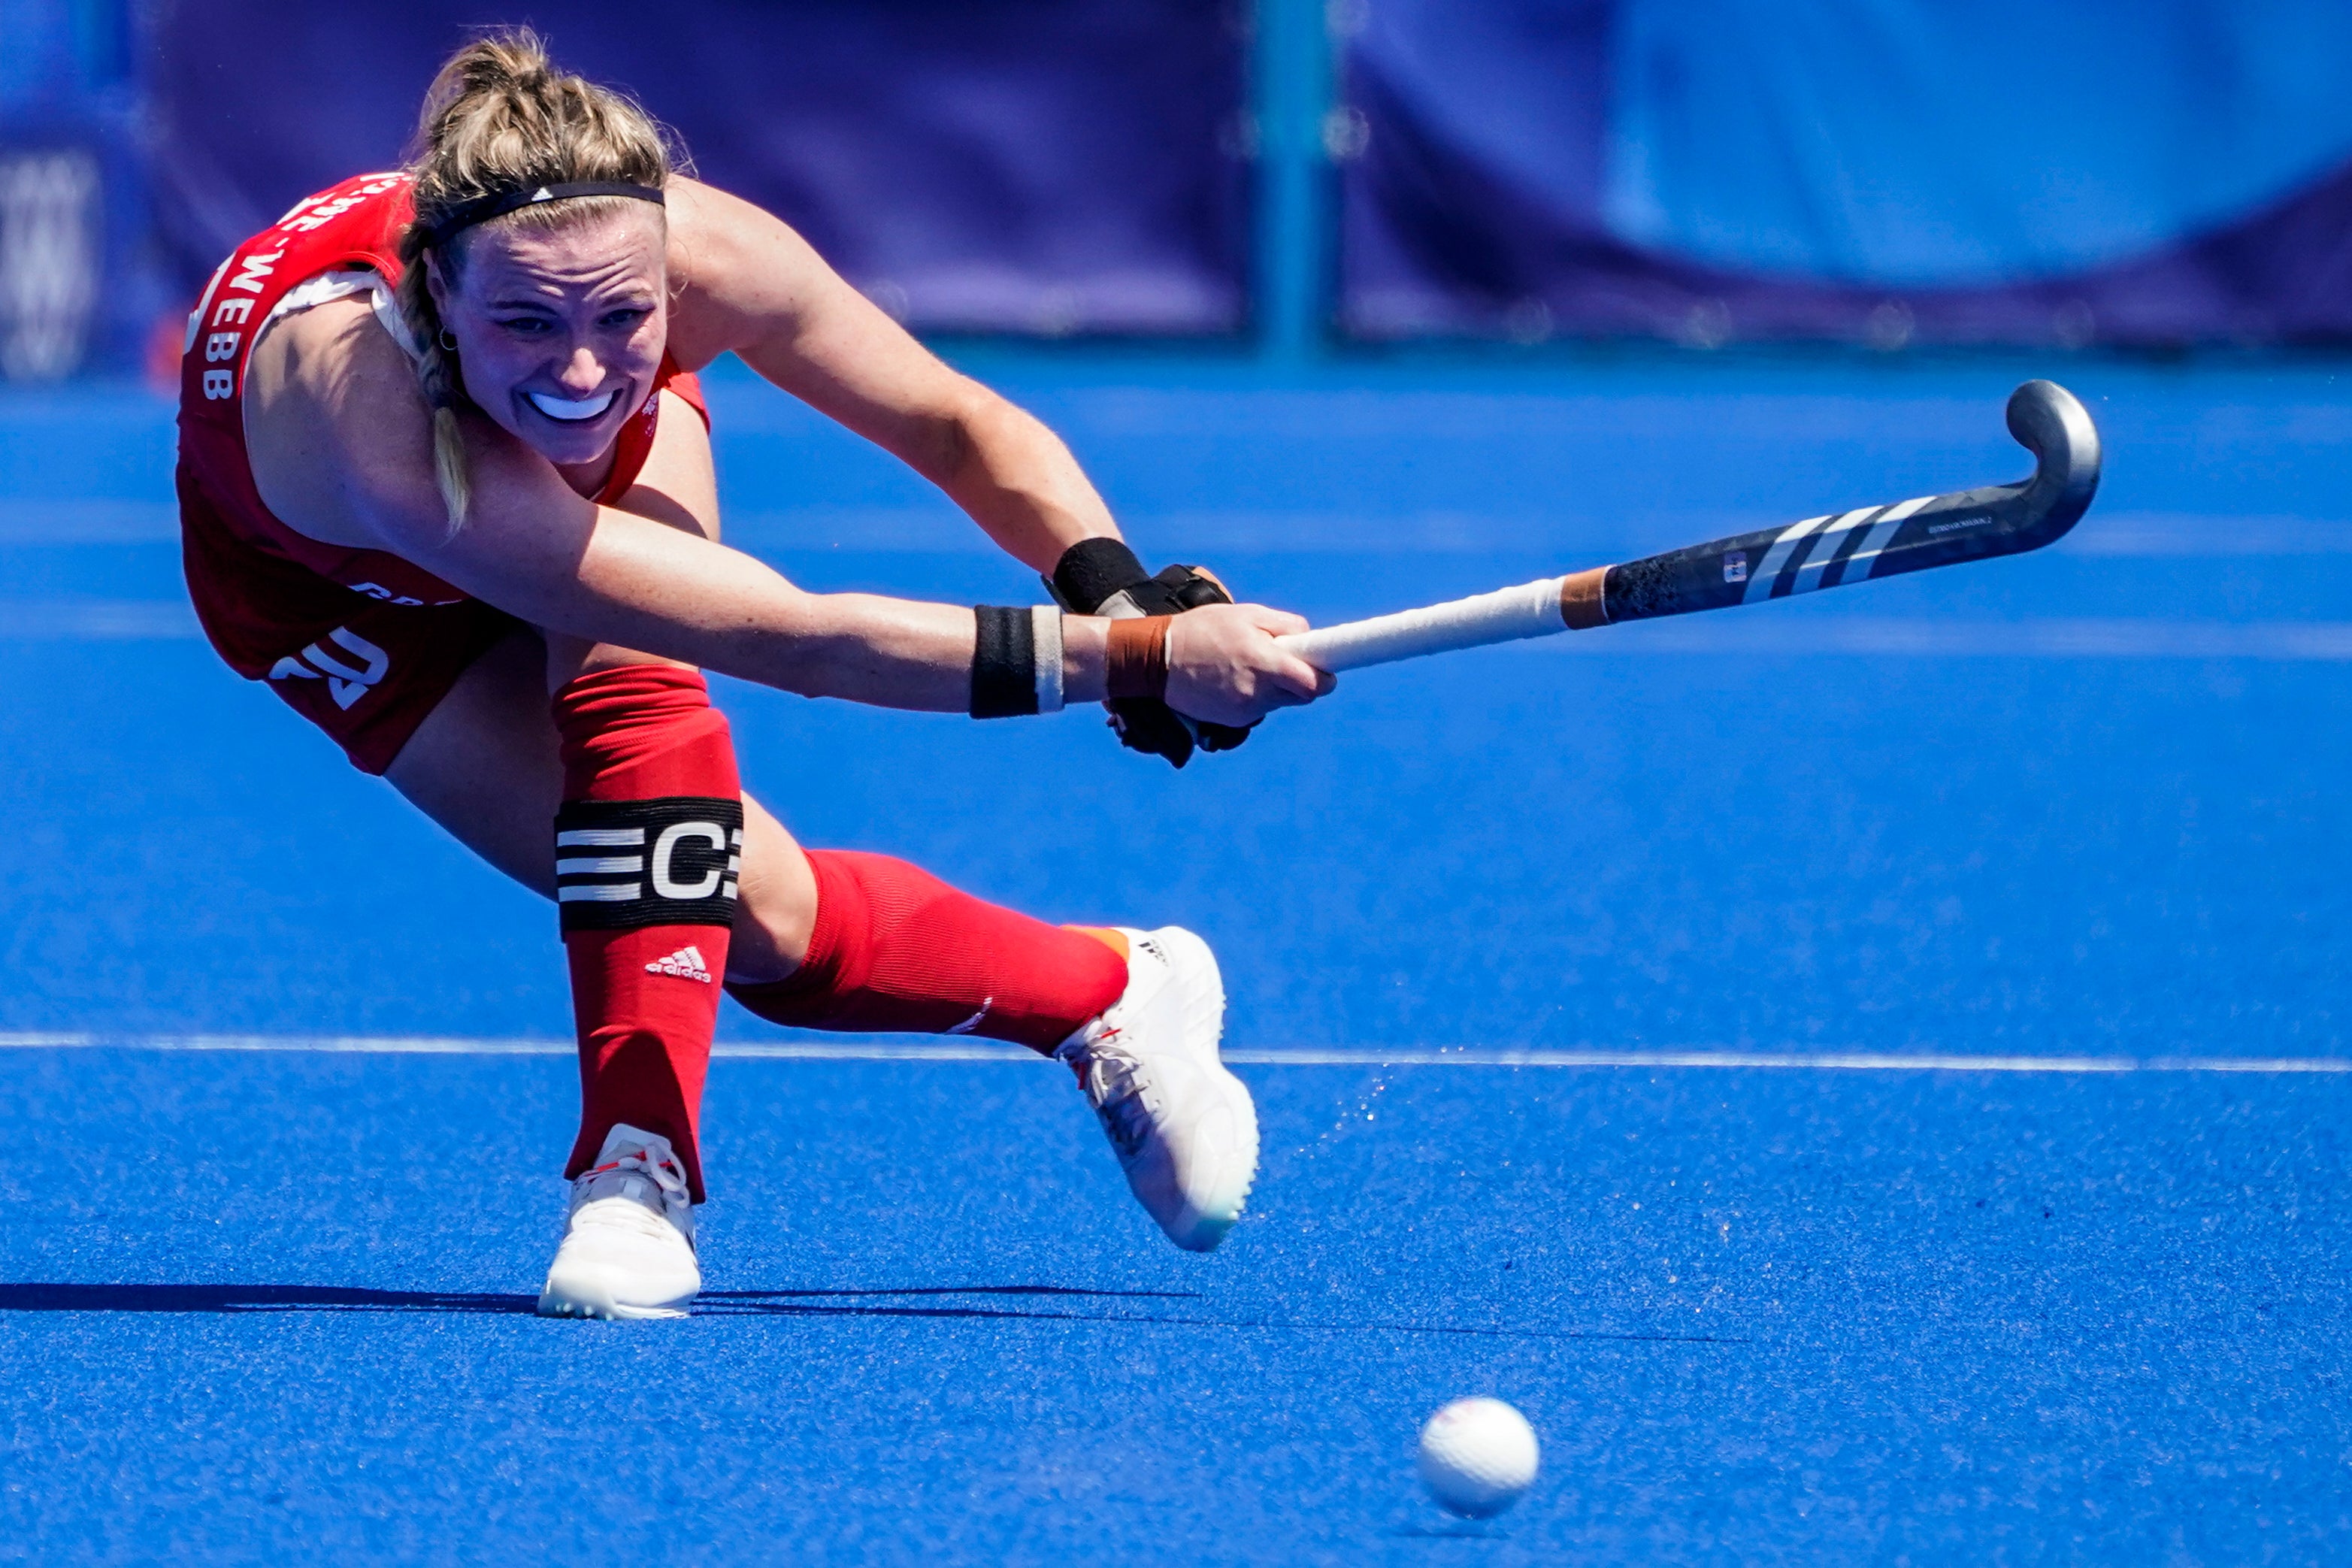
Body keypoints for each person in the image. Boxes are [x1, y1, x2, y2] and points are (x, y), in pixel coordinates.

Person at [175, 32, 1333, 1321]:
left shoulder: (705, 259)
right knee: (761, 921)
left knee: (638, 706)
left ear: (669, 272)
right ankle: (1113, 990)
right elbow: (796, 639)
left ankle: (633, 1173)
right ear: (439, 296)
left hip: (529, 493)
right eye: (525, 320)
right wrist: (1141, 659)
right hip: (333, 592)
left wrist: (1115, 590)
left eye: (626, 315)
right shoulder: (370, 422)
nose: (577, 369)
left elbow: (952, 422)